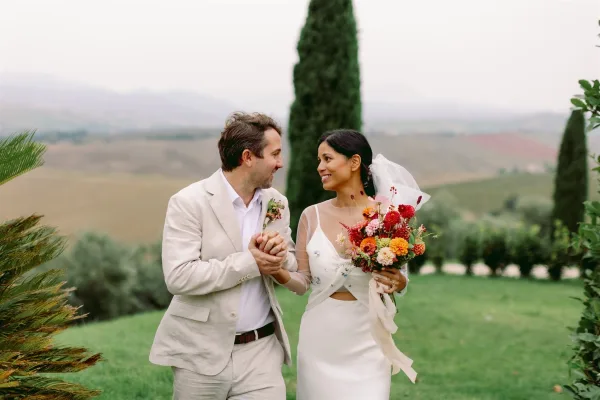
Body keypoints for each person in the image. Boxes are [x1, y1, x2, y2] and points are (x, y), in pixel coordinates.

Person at [268, 129, 430, 399]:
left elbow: (401, 279)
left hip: (369, 337)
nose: (320, 167)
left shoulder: (387, 216)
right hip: (321, 337)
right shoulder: (311, 215)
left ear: (354, 163)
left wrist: (397, 281)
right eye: (319, 160)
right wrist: (278, 271)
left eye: (327, 159)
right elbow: (302, 282)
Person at [149, 112, 298, 400]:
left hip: (261, 351)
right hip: (200, 352)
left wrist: (279, 257)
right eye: (275, 154)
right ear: (247, 157)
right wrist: (250, 262)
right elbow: (179, 277)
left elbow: (289, 262)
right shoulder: (188, 202)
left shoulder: (277, 203)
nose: (280, 163)